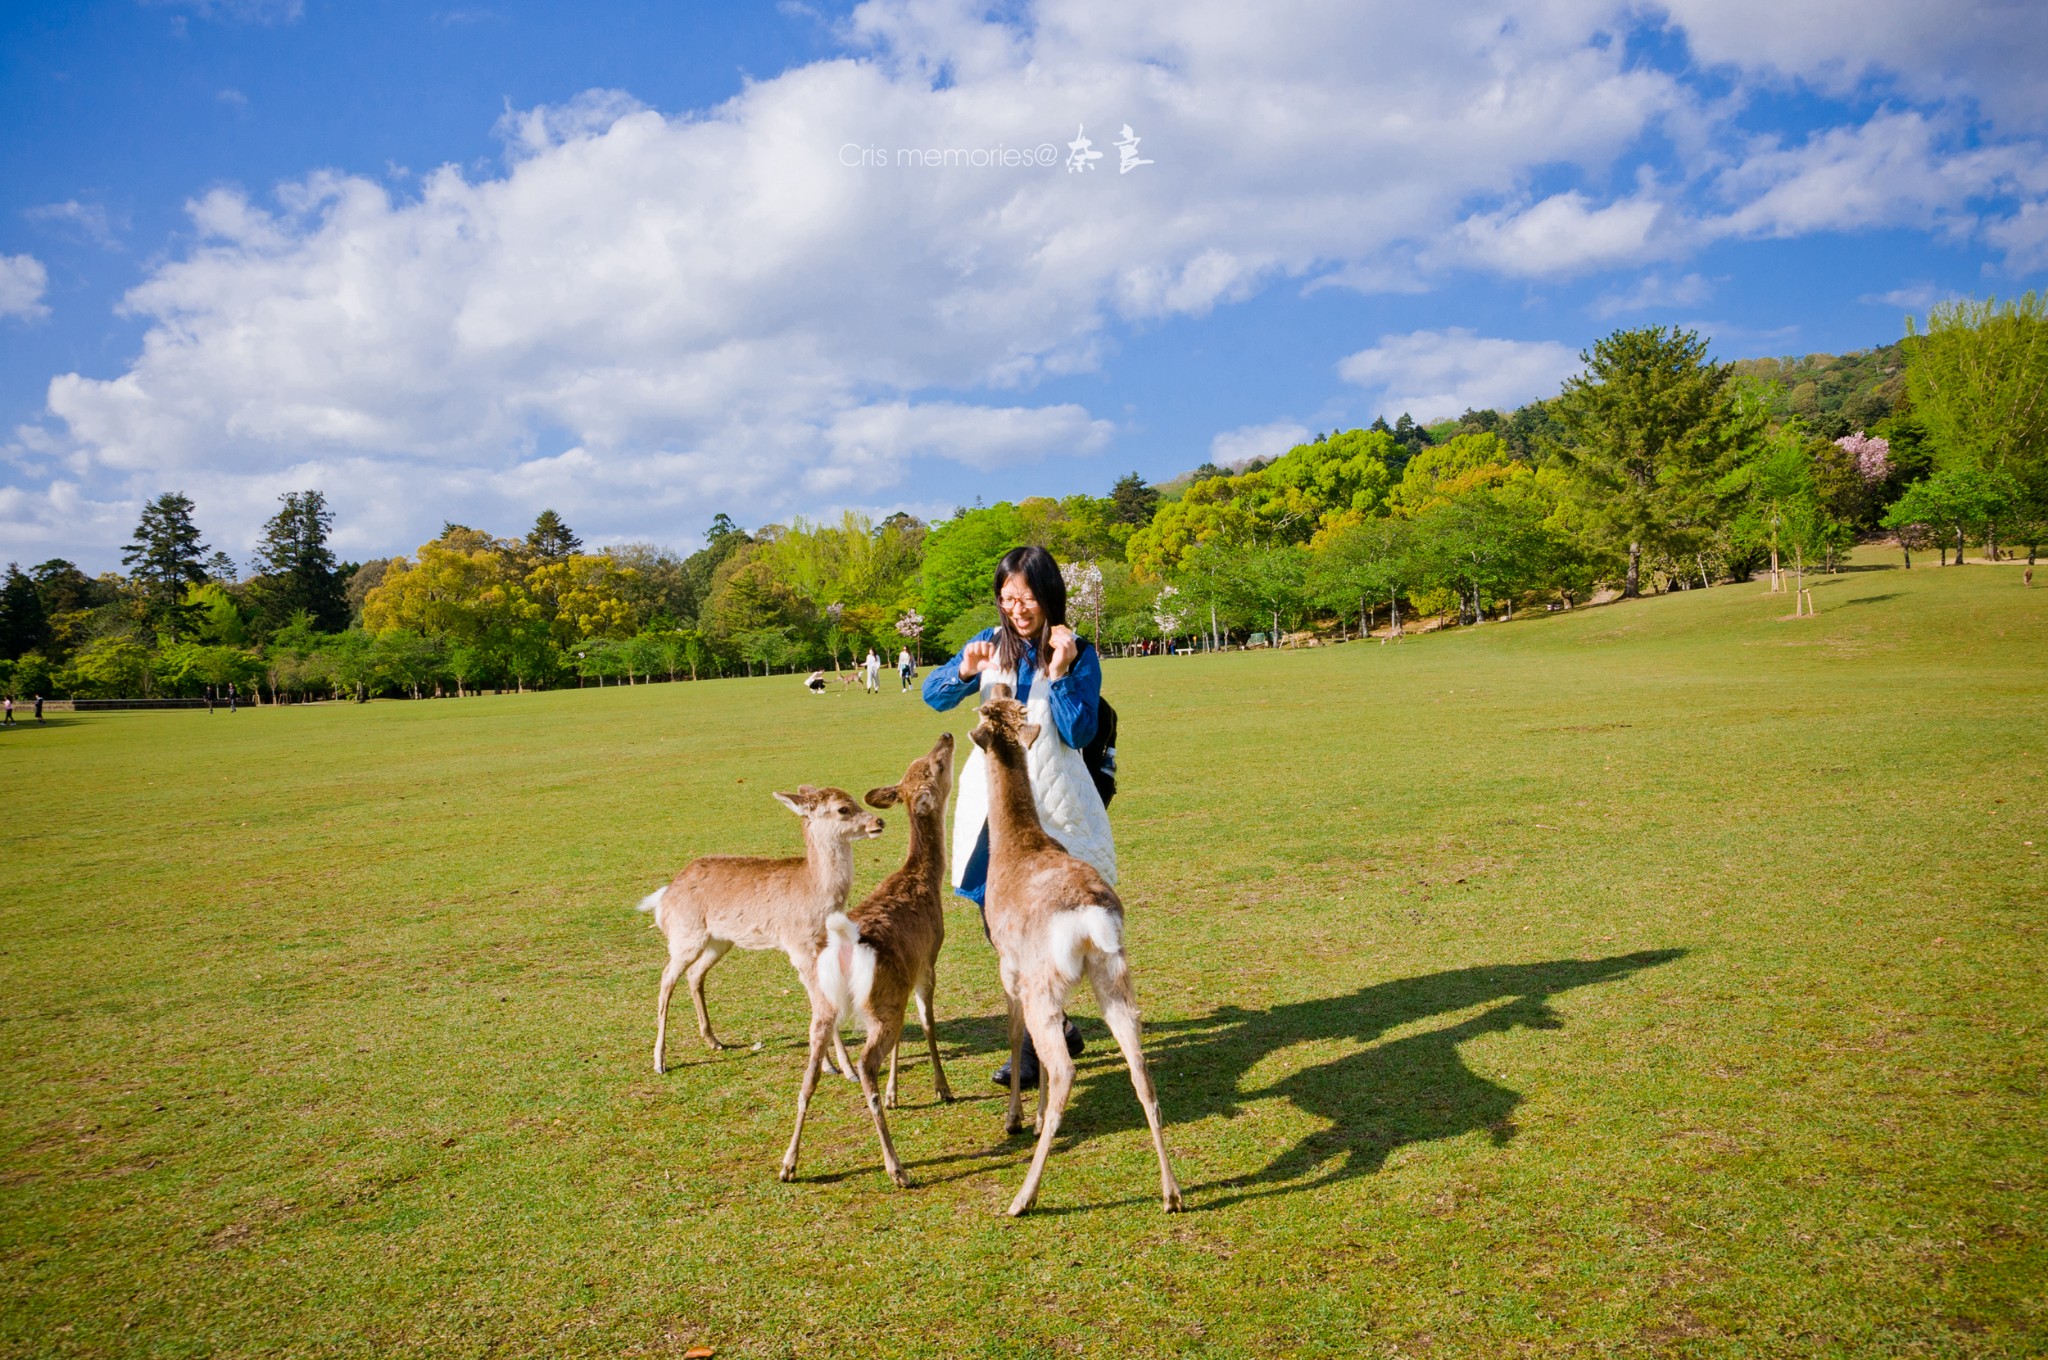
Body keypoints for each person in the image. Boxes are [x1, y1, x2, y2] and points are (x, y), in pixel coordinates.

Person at [923, 545, 1109, 1087]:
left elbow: (1078, 733)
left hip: (1051, 803)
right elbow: (934, 697)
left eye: (1026, 597)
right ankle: (1058, 1021)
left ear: (1048, 595)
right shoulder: (990, 642)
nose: (1017, 609)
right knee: (995, 917)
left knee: (1038, 921)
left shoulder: (1079, 650)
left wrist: (1065, 670)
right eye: (1007, 599)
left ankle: (1033, 1043)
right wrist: (963, 668)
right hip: (994, 805)